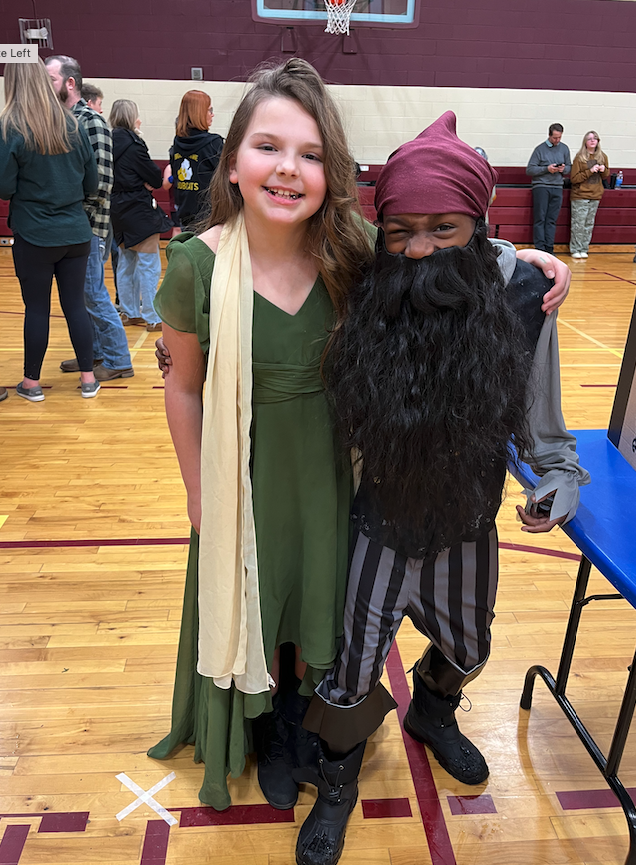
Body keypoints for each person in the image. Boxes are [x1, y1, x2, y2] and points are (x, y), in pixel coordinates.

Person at [149, 76, 573, 815]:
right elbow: (185, 378)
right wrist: (196, 483)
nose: (420, 249)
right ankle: (304, 756)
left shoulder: (403, 264)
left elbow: (444, 245)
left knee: (402, 633)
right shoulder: (267, 262)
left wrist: (520, 255)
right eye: (267, 146)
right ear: (233, 159)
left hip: (403, 494)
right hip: (306, 490)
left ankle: (397, 715)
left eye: (310, 154)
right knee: (303, 631)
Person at [295, 113, 590, 865]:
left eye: (442, 227)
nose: (419, 246)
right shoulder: (366, 281)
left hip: (468, 518)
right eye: (401, 231)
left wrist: (555, 472)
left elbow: (538, 404)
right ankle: (337, 781)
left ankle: (432, 713)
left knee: (467, 644)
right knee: (354, 663)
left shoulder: (522, 291)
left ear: (478, 223)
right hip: (378, 520)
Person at [0, 59, 100, 401]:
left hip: (35, 233)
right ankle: (88, 379)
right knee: (75, 306)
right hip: (76, 233)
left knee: (36, 308)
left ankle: (32, 384)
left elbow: (2, 187)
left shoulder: (8, 126)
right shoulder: (72, 123)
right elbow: (91, 183)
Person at [45, 55, 134, 380]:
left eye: (50, 79)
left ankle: (119, 360)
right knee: (82, 294)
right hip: (75, 226)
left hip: (89, 226)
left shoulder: (90, 121)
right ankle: (95, 354)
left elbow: (103, 181)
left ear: (70, 83)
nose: (45, 86)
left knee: (93, 293)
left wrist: (69, 211)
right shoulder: (64, 120)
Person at [109, 99, 170, 332]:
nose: (140, 120)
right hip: (138, 207)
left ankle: (129, 312)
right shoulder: (135, 145)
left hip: (116, 208)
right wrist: (146, 183)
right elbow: (155, 178)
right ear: (130, 117)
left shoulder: (105, 141)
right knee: (149, 263)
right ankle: (153, 316)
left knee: (126, 261)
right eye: (137, 115)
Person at [168, 90, 224, 230]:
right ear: (198, 113)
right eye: (209, 110)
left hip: (185, 215)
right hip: (209, 218)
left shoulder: (177, 143)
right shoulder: (213, 143)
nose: (212, 114)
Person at [527, 123, 571, 254]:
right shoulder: (539, 149)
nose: (557, 140)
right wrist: (547, 169)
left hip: (557, 186)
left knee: (552, 219)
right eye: (555, 138)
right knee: (540, 218)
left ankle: (549, 247)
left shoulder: (564, 149)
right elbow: (530, 170)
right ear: (549, 135)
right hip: (542, 186)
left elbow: (569, 167)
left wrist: (564, 169)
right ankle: (540, 248)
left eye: (559, 138)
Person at [570, 130, 610, 259]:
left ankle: (584, 248)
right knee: (578, 224)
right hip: (580, 195)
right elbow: (574, 178)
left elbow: (606, 175)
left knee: (588, 224)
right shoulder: (579, 158)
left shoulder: (602, 157)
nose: (593, 140)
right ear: (585, 142)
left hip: (595, 195)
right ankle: (575, 248)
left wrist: (604, 170)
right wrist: (590, 171)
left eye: (595, 138)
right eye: (590, 138)